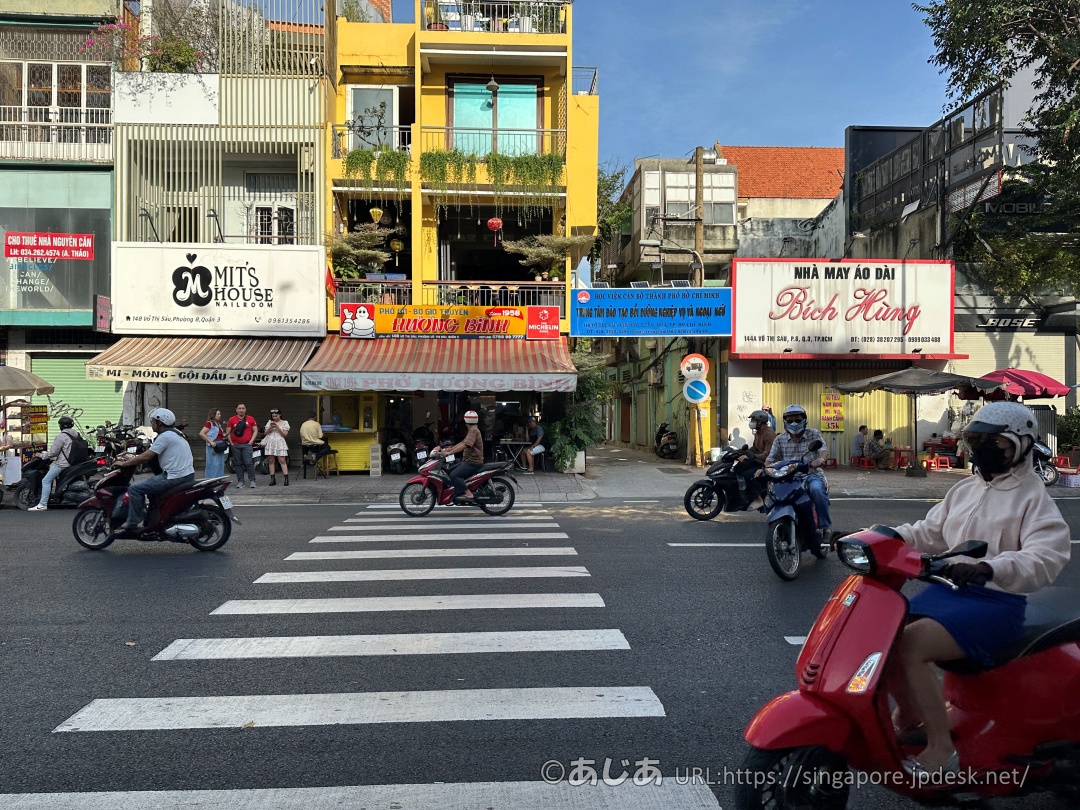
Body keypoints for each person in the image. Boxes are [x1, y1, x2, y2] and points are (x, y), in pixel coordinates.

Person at [889, 401, 1070, 778]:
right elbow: (928, 532)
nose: (984, 450)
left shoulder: (1033, 498)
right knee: (884, 633)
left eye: (995, 443)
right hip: (949, 590)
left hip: (997, 601)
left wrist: (991, 567)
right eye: (978, 441)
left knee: (911, 643)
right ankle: (911, 715)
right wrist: (880, 537)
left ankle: (942, 749)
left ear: (1020, 445)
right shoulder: (965, 489)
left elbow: (1047, 556)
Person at [113, 408, 195, 533]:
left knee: (135, 489)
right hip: (185, 474)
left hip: (174, 476)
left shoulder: (165, 436)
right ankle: (153, 519)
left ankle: (133, 523)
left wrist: (125, 464)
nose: (151, 424)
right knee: (151, 490)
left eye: (153, 421)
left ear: (160, 423)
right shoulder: (175, 433)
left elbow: (147, 456)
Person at [765, 404, 832, 543]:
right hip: (787, 478)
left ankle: (825, 527)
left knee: (816, 490)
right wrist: (765, 468)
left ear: (804, 420)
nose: (794, 423)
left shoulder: (814, 434)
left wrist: (820, 459)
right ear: (785, 422)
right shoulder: (779, 439)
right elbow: (771, 459)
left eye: (797, 419)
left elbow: (823, 450)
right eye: (790, 421)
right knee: (771, 495)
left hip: (811, 475)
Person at [28, 416, 80, 512]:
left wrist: (40, 455)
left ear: (60, 426)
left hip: (63, 464)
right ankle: (55, 496)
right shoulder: (76, 434)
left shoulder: (61, 437)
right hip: (73, 462)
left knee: (46, 481)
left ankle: (42, 504)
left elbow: (53, 452)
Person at [736, 409, 777, 508]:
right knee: (738, 468)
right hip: (758, 460)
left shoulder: (769, 435)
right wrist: (742, 452)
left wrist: (752, 456)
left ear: (759, 421)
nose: (751, 423)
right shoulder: (758, 433)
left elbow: (767, 454)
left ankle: (758, 499)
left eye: (753, 420)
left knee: (749, 474)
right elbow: (755, 448)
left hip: (767, 463)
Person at [444, 409, 483, 502]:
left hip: (473, 462)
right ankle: (458, 490)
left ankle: (468, 494)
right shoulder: (472, 430)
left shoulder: (473, 431)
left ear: (466, 421)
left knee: (454, 475)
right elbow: (463, 442)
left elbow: (465, 445)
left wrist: (450, 453)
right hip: (468, 461)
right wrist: (450, 449)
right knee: (449, 471)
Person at [226, 403, 258, 488]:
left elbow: (255, 430)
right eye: (239, 408)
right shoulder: (232, 419)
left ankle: (252, 481)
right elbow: (228, 432)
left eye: (243, 408)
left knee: (249, 463)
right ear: (236, 410)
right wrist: (231, 443)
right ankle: (240, 481)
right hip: (235, 445)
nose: (241, 410)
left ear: (245, 409)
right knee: (238, 464)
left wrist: (251, 442)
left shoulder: (250, 419)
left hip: (247, 444)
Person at [263, 408, 290, 486]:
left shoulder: (285, 422)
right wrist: (270, 427)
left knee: (282, 460)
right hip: (270, 441)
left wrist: (278, 427)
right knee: (271, 460)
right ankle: (272, 479)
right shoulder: (269, 422)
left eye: (276, 416)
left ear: (280, 415)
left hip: (280, 441)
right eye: (273, 416)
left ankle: (286, 478)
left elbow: (285, 434)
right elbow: (265, 433)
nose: (274, 417)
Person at [199, 408, 226, 479]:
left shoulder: (218, 425)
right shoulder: (209, 424)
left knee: (220, 464)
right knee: (214, 464)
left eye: (220, 414)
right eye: (218, 414)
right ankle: (212, 479)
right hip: (214, 446)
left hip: (220, 446)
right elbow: (202, 433)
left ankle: (219, 479)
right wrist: (211, 442)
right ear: (213, 415)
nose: (220, 415)